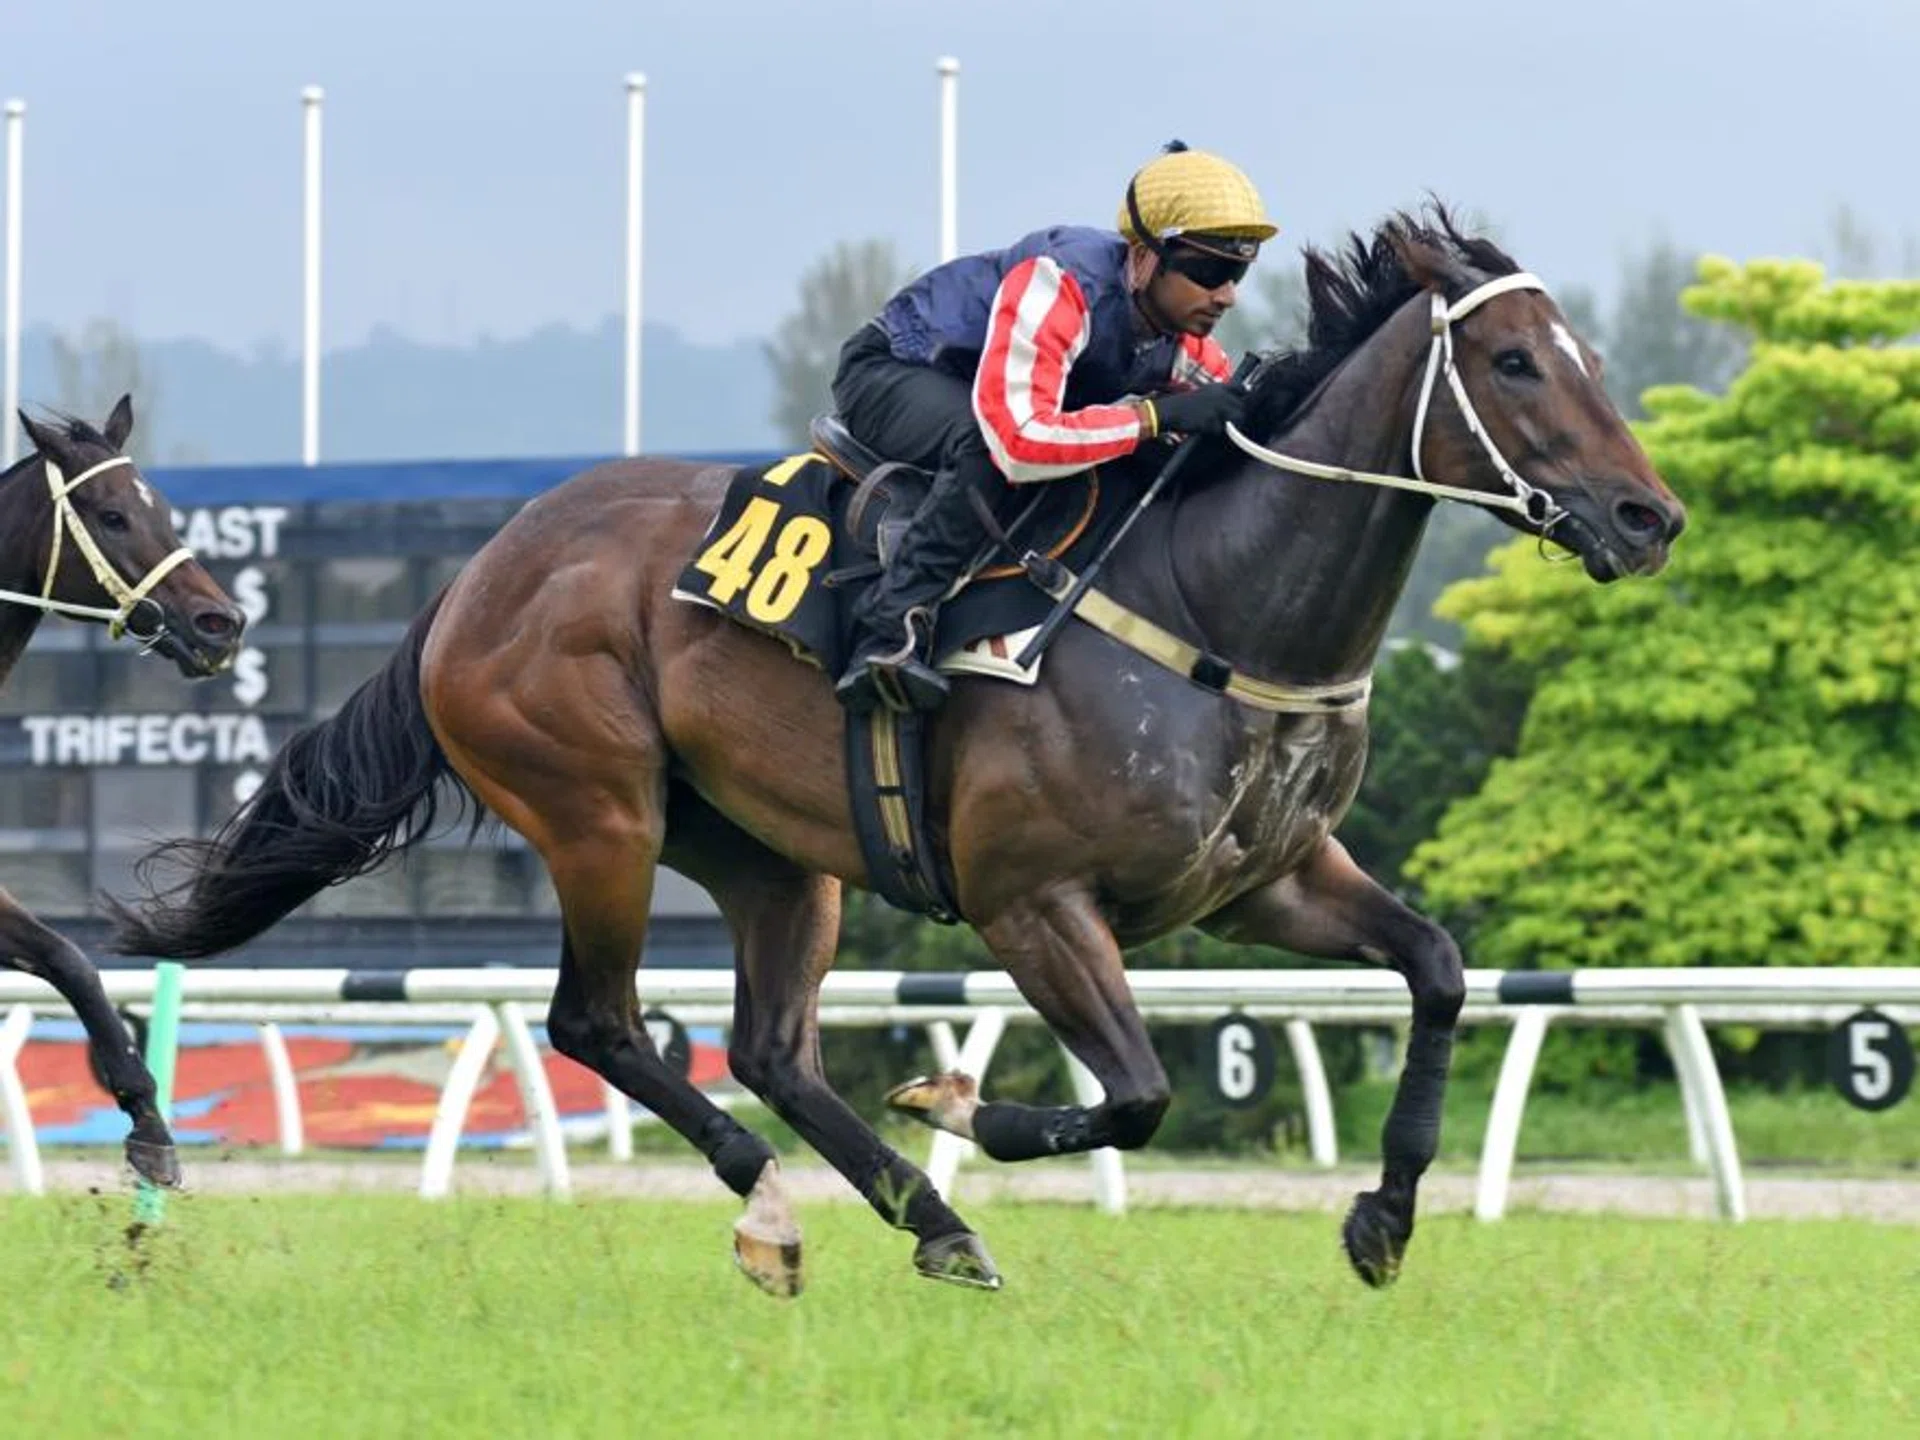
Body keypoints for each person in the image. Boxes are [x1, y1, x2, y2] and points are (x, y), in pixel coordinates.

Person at [829, 140, 1276, 714]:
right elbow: (1019, 442)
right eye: (1211, 269)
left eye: (1239, 271)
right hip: (895, 370)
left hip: (989, 392)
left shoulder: (1188, 342)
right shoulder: (1061, 281)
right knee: (982, 447)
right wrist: (1152, 416)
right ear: (1143, 258)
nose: (1228, 294)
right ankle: (891, 628)